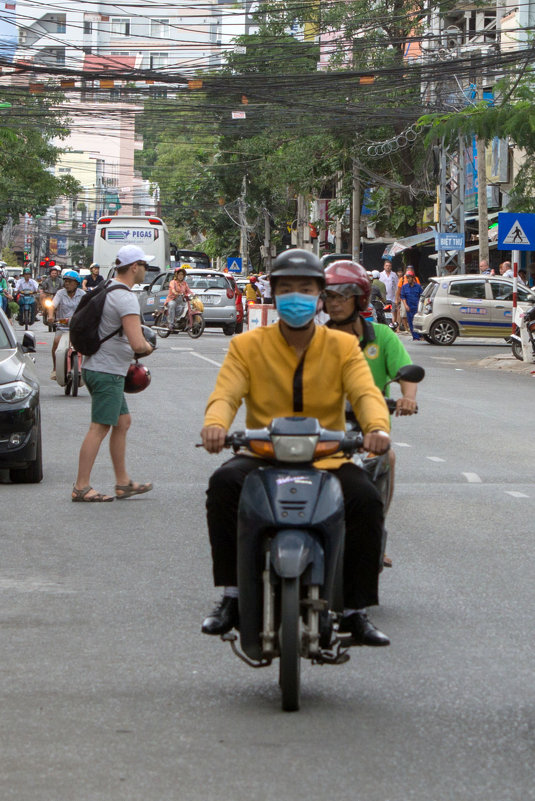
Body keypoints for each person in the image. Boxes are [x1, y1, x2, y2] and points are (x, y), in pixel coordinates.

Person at [200, 249, 392, 647]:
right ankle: (232, 595)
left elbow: (366, 393)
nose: (296, 297)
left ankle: (356, 610)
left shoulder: (342, 347)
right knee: (222, 486)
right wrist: (216, 427)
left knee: (367, 500)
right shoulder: (247, 346)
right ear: (273, 294)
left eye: (305, 288)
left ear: (320, 295)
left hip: (328, 456)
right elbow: (226, 393)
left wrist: (377, 428)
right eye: (286, 289)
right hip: (261, 455)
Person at [322, 261, 419, 566]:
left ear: (361, 298)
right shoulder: (315, 339)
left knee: (386, 458)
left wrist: (407, 399)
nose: (335, 303)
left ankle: (375, 529)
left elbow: (406, 372)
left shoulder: (382, 336)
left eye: (343, 295)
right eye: (330, 296)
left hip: (368, 430)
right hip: (320, 428)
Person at [72, 245, 155, 503]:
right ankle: (81, 487)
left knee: (122, 422)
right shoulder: (126, 297)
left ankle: (122, 483)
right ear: (134, 267)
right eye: (144, 265)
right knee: (99, 428)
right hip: (106, 371)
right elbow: (137, 343)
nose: (146, 270)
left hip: (101, 367)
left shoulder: (108, 287)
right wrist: (150, 347)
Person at [49, 270, 85, 380]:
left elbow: (88, 308)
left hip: (77, 327)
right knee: (56, 343)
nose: (67, 284)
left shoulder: (82, 294)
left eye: (70, 281)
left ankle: (82, 368)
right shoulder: (60, 293)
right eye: (66, 281)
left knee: (83, 347)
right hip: (62, 326)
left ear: (76, 283)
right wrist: (51, 316)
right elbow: (52, 306)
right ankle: (55, 369)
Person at [400, 269, 422, 340]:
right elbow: (403, 297)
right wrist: (405, 305)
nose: (408, 279)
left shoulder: (418, 287)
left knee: (417, 322)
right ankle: (415, 337)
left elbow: (421, 297)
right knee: (410, 322)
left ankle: (419, 336)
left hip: (416, 307)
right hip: (409, 307)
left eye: (409, 278)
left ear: (413, 278)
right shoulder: (404, 287)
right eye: (407, 278)